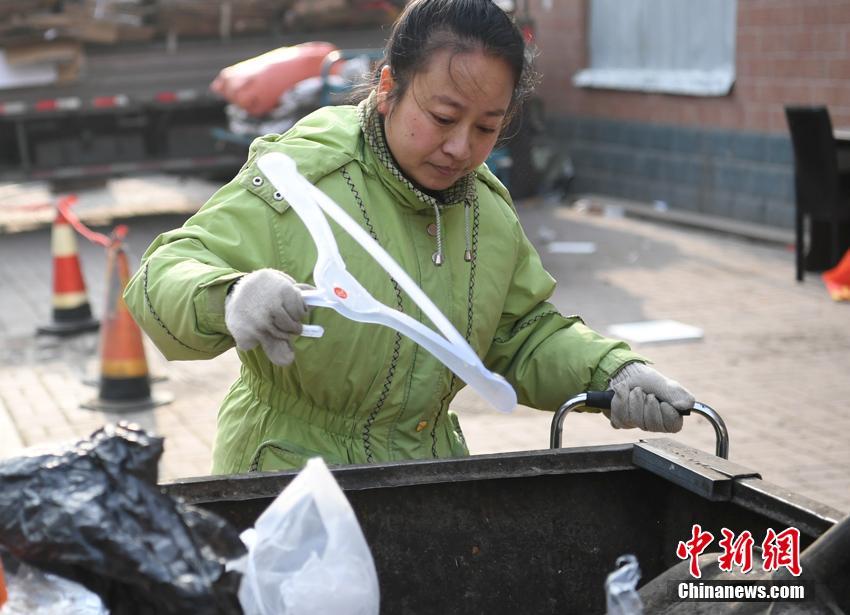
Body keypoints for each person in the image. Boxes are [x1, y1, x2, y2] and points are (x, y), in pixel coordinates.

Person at [124, 0, 694, 475]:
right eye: (444, 117)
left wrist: (613, 372)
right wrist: (228, 296)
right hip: (289, 481)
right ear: (391, 86)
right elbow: (163, 273)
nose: (461, 148)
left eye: (487, 127)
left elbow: (518, 335)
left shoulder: (484, 210)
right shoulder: (303, 180)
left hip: (425, 478)